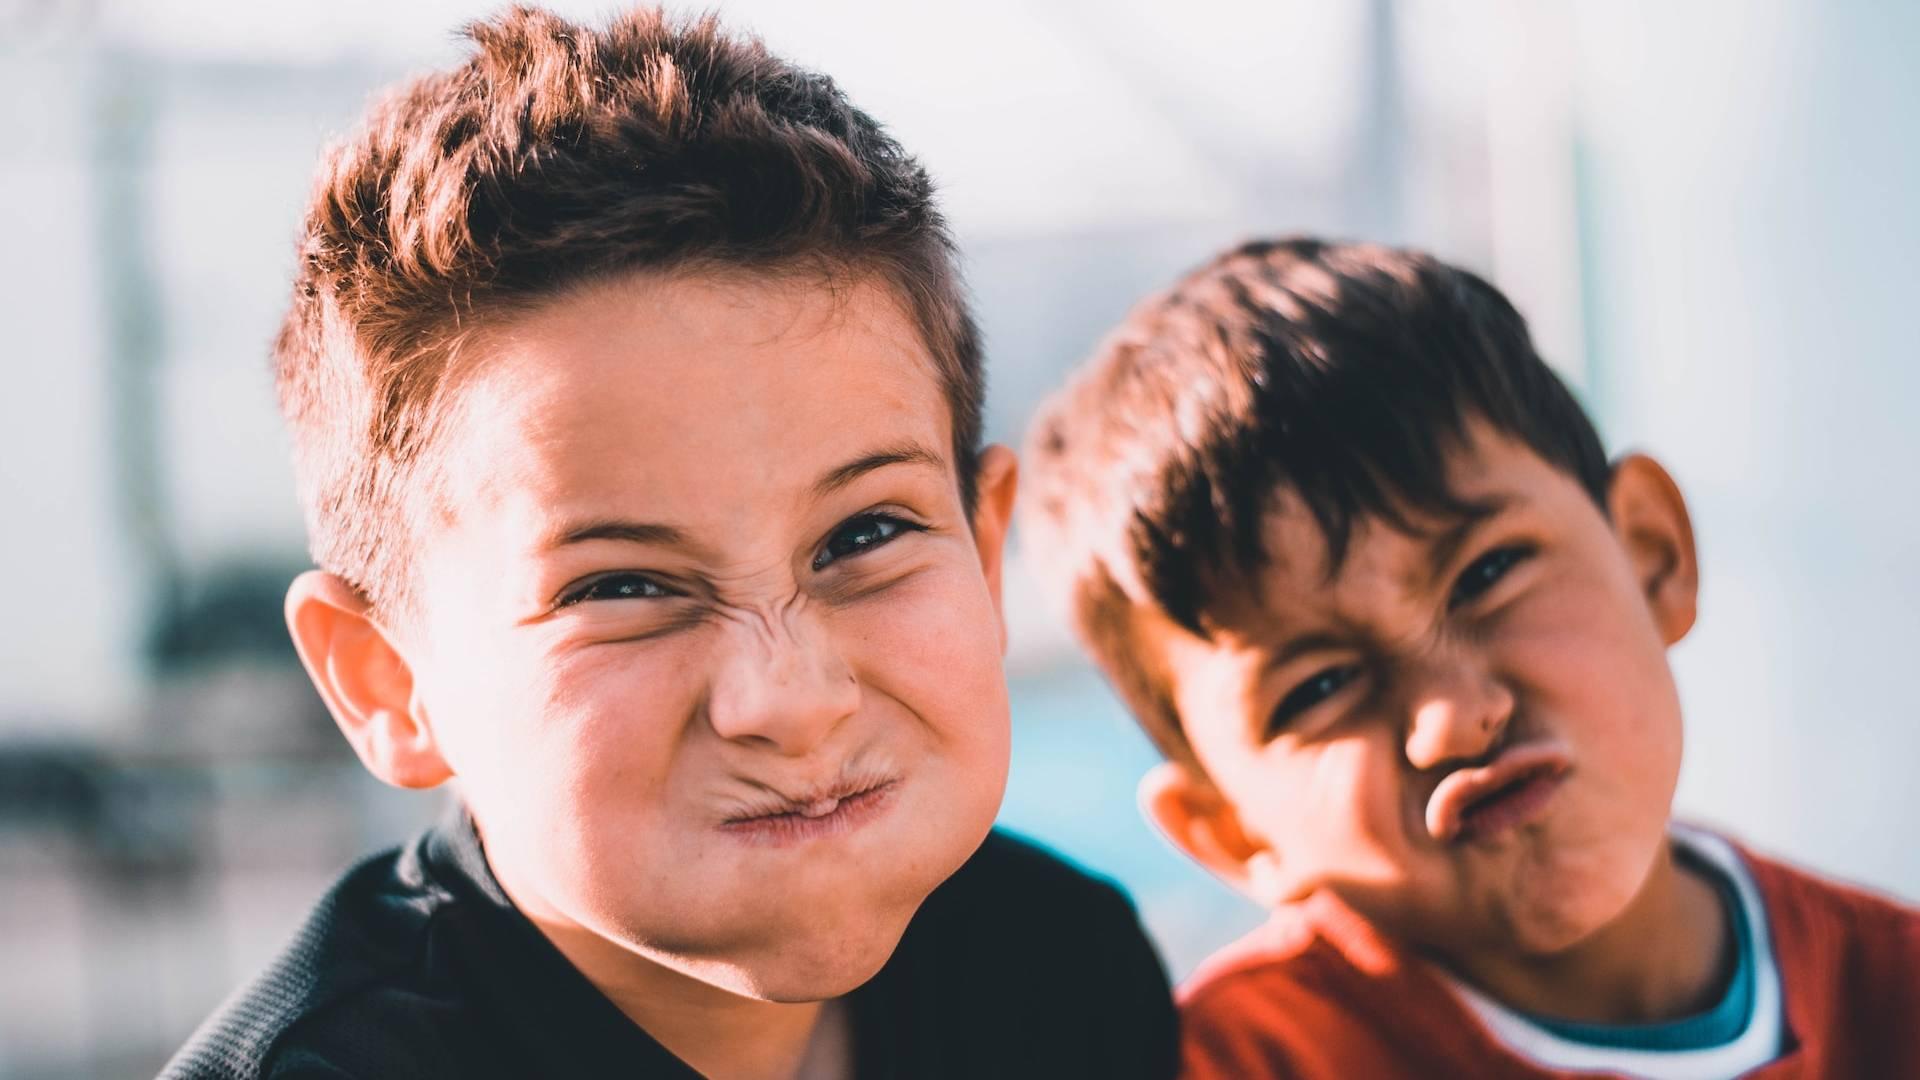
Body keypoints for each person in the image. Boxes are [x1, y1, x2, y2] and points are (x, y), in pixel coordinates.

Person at [162, 8, 1177, 1078]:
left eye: (863, 535)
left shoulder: (1060, 973)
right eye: (625, 585)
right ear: (387, 683)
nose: (790, 700)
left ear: (984, 544)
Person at [1019, 237, 1920, 1078]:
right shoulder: (1235, 1062)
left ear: (1653, 556)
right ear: (1229, 830)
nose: (1451, 719)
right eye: (1320, 686)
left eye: (1487, 573)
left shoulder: (1891, 992)